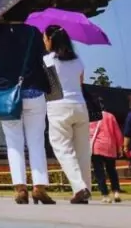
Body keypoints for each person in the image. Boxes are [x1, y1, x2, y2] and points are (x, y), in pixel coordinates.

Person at [0, 7, 54, 205]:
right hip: (33, 90)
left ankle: (20, 188)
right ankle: (39, 186)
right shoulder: (33, 32)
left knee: (14, 142)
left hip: (6, 92)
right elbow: (43, 54)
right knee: (37, 140)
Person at [42, 25, 91, 204]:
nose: (44, 41)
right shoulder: (78, 61)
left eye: (45, 38)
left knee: (63, 148)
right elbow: (80, 82)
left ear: (50, 40)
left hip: (58, 106)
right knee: (83, 150)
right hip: (79, 105)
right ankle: (85, 188)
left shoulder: (48, 60)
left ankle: (79, 187)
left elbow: (47, 85)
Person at [90, 104, 124, 203]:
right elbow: (117, 132)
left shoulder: (91, 116)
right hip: (110, 146)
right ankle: (116, 192)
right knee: (112, 170)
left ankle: (105, 195)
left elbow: (89, 133)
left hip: (96, 147)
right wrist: (120, 146)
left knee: (99, 172)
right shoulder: (110, 116)